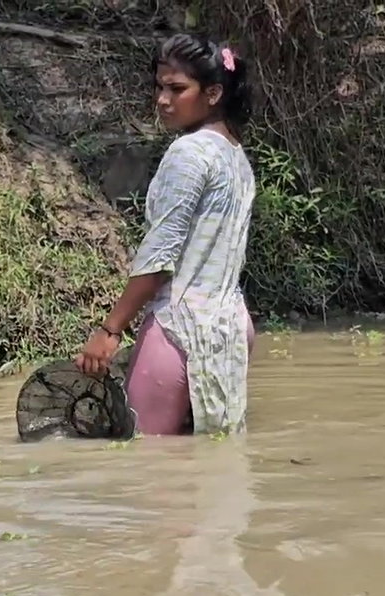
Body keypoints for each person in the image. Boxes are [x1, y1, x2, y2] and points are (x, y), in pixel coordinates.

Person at [76, 32, 258, 436]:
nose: (162, 99)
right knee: (213, 469)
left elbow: (160, 255)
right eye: (159, 87)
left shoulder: (188, 153)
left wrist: (110, 330)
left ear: (212, 93)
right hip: (231, 326)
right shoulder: (236, 156)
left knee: (148, 470)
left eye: (177, 89)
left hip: (180, 330)